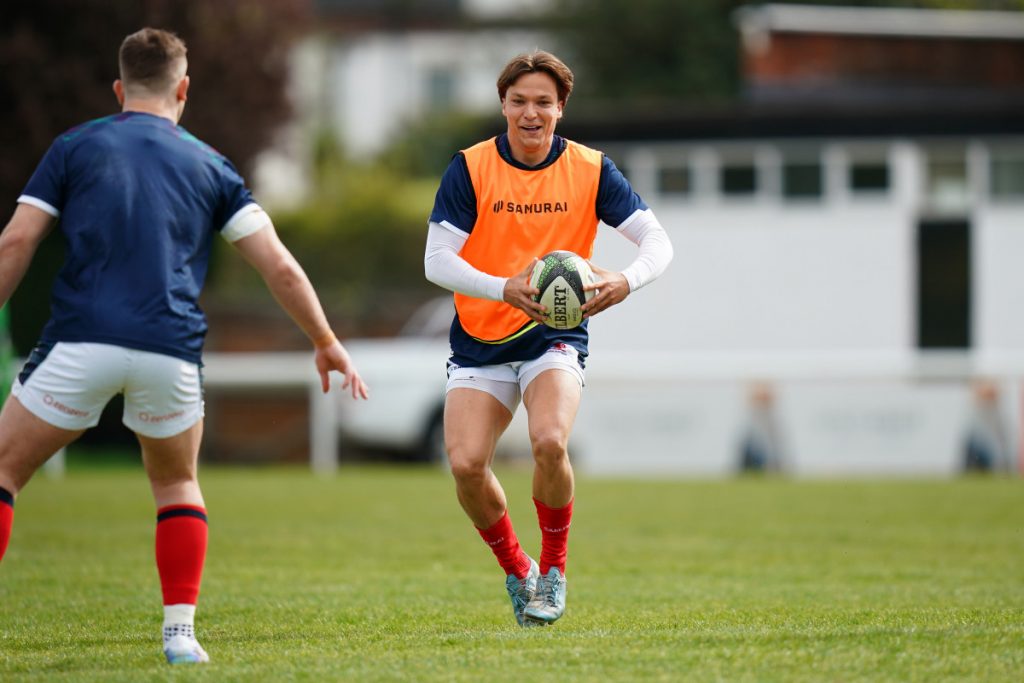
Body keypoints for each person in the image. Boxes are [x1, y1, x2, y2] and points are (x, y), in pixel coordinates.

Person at [0, 28, 369, 664]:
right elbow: (279, 266)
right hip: (169, 349)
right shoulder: (212, 165)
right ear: (184, 88)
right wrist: (326, 340)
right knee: (176, 484)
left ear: (119, 89)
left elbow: (16, 242)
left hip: (81, 340)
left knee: (5, 471)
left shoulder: (74, 147)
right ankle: (180, 635)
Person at [424, 50, 673, 626]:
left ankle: (555, 572)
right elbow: (437, 260)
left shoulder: (590, 169)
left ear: (561, 108)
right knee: (466, 466)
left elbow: (658, 241)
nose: (530, 113)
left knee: (549, 442)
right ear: (503, 105)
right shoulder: (471, 167)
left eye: (543, 102)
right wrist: (502, 288)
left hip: (553, 334)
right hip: (481, 338)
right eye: (519, 101)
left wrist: (625, 281)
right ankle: (520, 571)